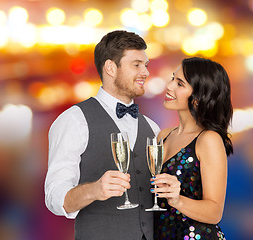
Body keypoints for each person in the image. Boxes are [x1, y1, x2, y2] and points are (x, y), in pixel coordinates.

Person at [44, 30, 160, 240]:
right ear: (110, 68)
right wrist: (95, 190)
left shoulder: (152, 128)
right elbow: (54, 198)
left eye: (146, 65)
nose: (145, 72)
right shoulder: (74, 120)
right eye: (136, 65)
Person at [152, 57, 233, 240]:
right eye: (173, 78)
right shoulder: (163, 136)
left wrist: (177, 199)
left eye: (180, 84)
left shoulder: (208, 139)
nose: (170, 86)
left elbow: (214, 212)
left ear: (198, 97)